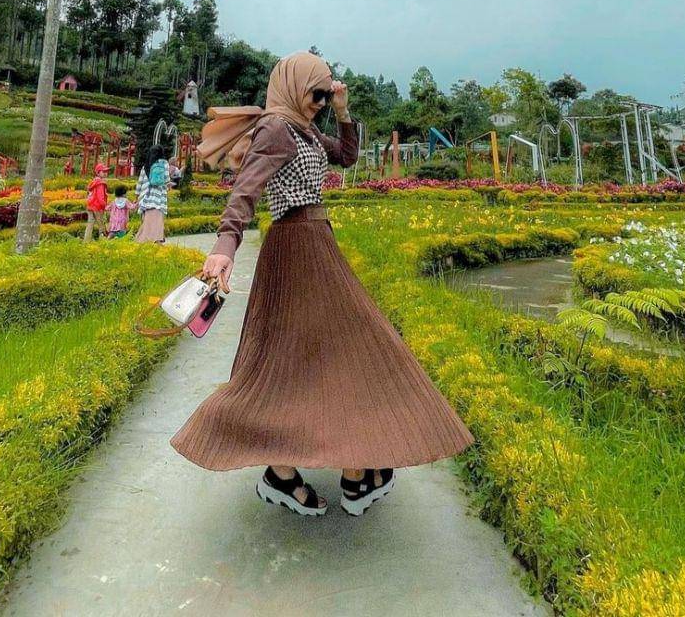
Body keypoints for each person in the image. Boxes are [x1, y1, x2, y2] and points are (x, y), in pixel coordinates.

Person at [170, 51, 474, 517]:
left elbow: (347, 156)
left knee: (342, 348)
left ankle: (336, 468)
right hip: (294, 246)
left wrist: (342, 111)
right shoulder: (275, 128)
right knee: (292, 356)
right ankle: (311, 470)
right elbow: (245, 191)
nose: (319, 102)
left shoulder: (305, 130)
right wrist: (225, 246)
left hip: (316, 243)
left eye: (324, 94)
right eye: (315, 93)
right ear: (293, 88)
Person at [134, 146, 170, 243]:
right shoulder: (164, 164)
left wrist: (136, 197)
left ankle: (143, 241)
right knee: (157, 221)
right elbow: (167, 180)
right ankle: (155, 240)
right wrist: (168, 187)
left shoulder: (146, 165)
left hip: (145, 197)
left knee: (146, 221)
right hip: (158, 197)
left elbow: (139, 182)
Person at [84, 163, 110, 242]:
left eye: (106, 171)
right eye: (103, 171)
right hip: (98, 207)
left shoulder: (93, 182)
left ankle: (86, 240)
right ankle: (103, 240)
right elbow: (100, 197)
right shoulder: (100, 184)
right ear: (98, 172)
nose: (105, 173)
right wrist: (105, 206)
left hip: (90, 205)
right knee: (101, 224)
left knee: (90, 223)